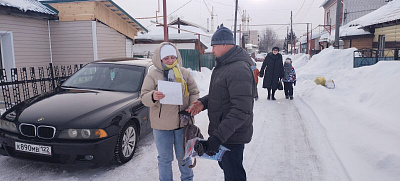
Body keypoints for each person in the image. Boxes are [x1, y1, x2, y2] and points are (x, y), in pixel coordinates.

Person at [188, 26, 255, 181]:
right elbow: (222, 94)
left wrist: (218, 137)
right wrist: (203, 103)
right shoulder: (226, 65)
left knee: (233, 174)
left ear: (225, 45)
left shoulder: (238, 69)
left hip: (232, 136)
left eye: (214, 45)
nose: (212, 50)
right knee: (228, 169)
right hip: (226, 134)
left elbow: (241, 110)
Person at [140, 42, 200, 181]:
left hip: (183, 124)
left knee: (184, 157)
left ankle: (187, 179)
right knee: (165, 159)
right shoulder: (153, 75)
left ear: (177, 57)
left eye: (173, 57)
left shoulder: (185, 73)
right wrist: (153, 96)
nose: (170, 61)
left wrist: (192, 106)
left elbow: (194, 92)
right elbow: (144, 97)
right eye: (166, 58)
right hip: (162, 127)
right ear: (160, 59)